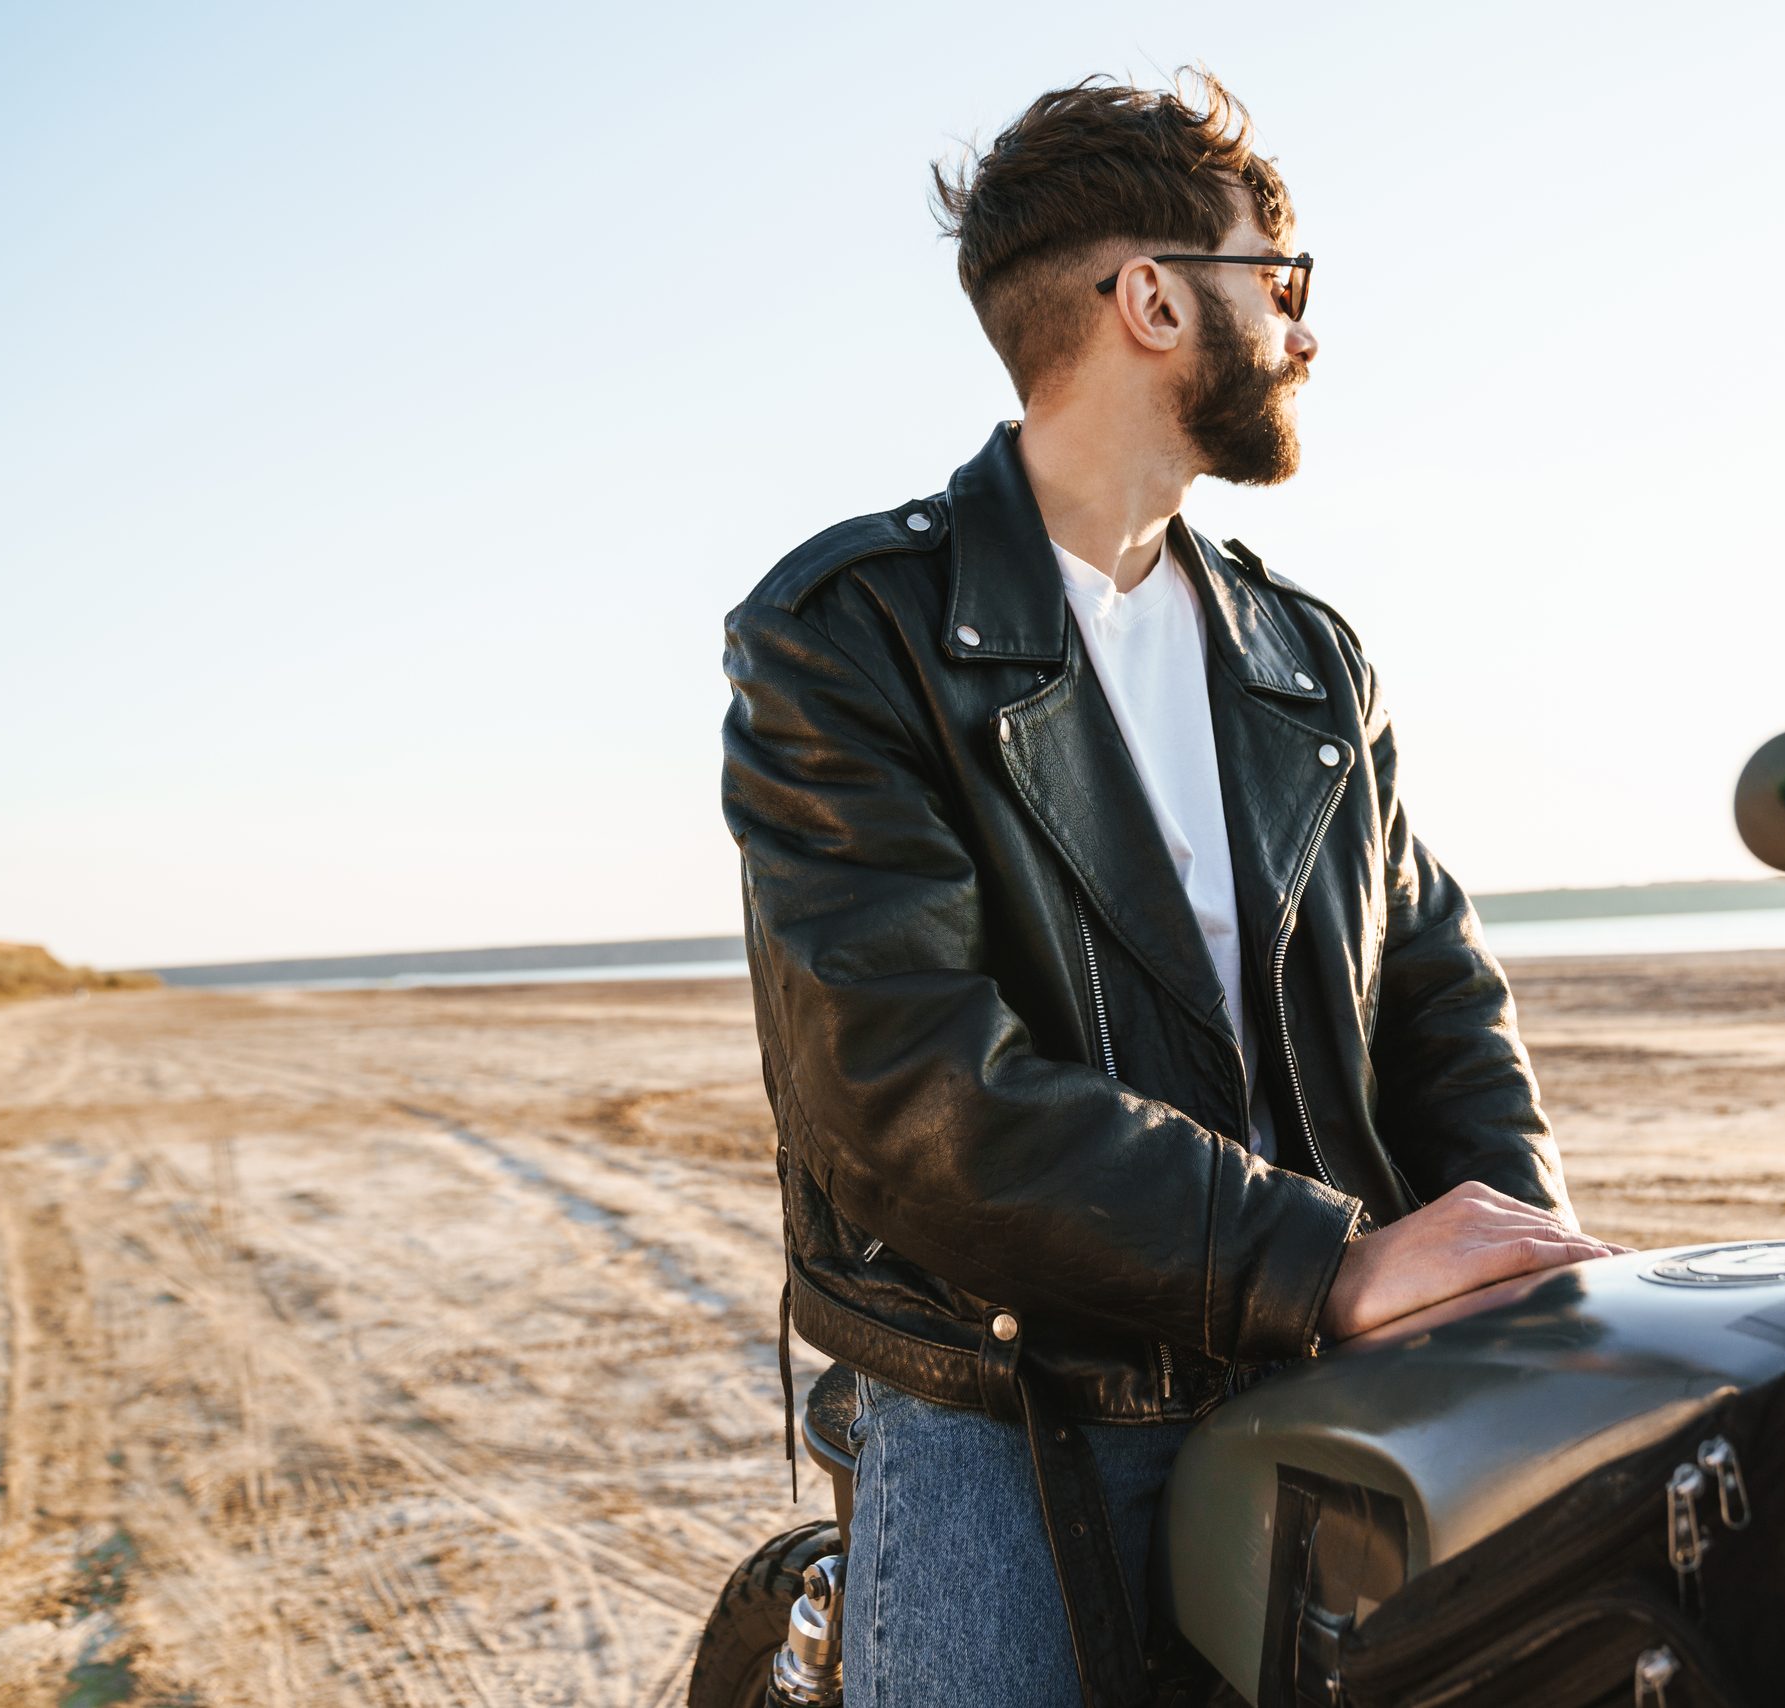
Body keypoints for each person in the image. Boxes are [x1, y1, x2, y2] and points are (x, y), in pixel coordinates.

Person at [720, 70, 1621, 1708]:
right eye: (1279, 281)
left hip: (1331, 1359)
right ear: (1151, 298)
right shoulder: (850, 637)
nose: (1304, 330)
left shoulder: (1310, 656)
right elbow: (905, 1094)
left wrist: (1505, 1257)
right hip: (1005, 1400)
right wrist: (1330, 1262)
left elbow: (1434, 994)